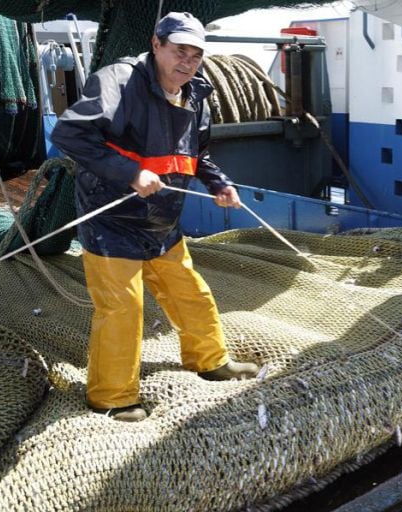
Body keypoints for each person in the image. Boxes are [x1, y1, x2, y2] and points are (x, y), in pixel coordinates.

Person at [51, 12, 259, 422]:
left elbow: (197, 155)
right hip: (111, 221)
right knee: (123, 309)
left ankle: (210, 360)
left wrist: (219, 183)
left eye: (196, 54)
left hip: (162, 223)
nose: (187, 61)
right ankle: (112, 396)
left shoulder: (198, 92)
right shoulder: (118, 80)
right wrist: (130, 174)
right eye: (179, 50)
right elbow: (69, 135)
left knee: (191, 294)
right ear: (157, 44)